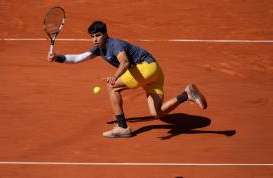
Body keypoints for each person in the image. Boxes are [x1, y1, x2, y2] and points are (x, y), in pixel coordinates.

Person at [48, 21, 207, 138]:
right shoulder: (99, 48)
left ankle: (122, 127)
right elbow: (78, 58)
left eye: (98, 36)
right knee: (157, 114)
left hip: (144, 68)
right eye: (92, 37)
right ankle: (186, 94)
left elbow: (125, 62)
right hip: (155, 71)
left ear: (105, 34)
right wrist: (57, 58)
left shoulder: (114, 45)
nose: (95, 39)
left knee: (112, 87)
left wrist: (115, 77)